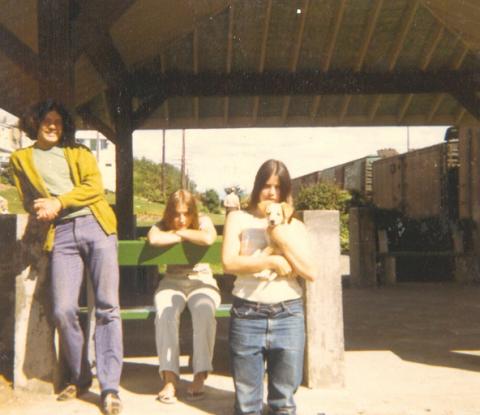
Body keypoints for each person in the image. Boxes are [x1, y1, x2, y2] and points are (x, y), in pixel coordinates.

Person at [9, 100, 123, 415]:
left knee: (107, 307)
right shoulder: (21, 159)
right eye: (47, 119)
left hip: (97, 227)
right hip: (60, 234)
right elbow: (27, 198)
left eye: (59, 121)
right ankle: (81, 376)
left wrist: (58, 201)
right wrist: (41, 208)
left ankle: (110, 388)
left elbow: (94, 188)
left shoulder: (80, 153)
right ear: (35, 122)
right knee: (63, 309)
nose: (53, 125)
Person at [222, 159, 317, 415]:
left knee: (284, 403)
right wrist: (271, 261)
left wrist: (281, 241)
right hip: (246, 314)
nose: (272, 193)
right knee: (246, 405)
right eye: (266, 186)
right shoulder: (238, 218)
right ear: (256, 187)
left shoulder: (295, 225)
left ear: (286, 191)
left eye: (278, 187)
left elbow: (310, 272)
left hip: (288, 315)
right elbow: (228, 263)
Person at [147, 189, 220, 404]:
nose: (181, 219)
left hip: (202, 280)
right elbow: (153, 238)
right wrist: (179, 232)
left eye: (186, 214)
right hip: (172, 281)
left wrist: (179, 233)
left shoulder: (204, 221)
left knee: (204, 311)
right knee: (165, 312)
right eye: (176, 214)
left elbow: (207, 238)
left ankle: (200, 375)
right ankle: (170, 378)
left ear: (193, 213)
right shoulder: (162, 224)